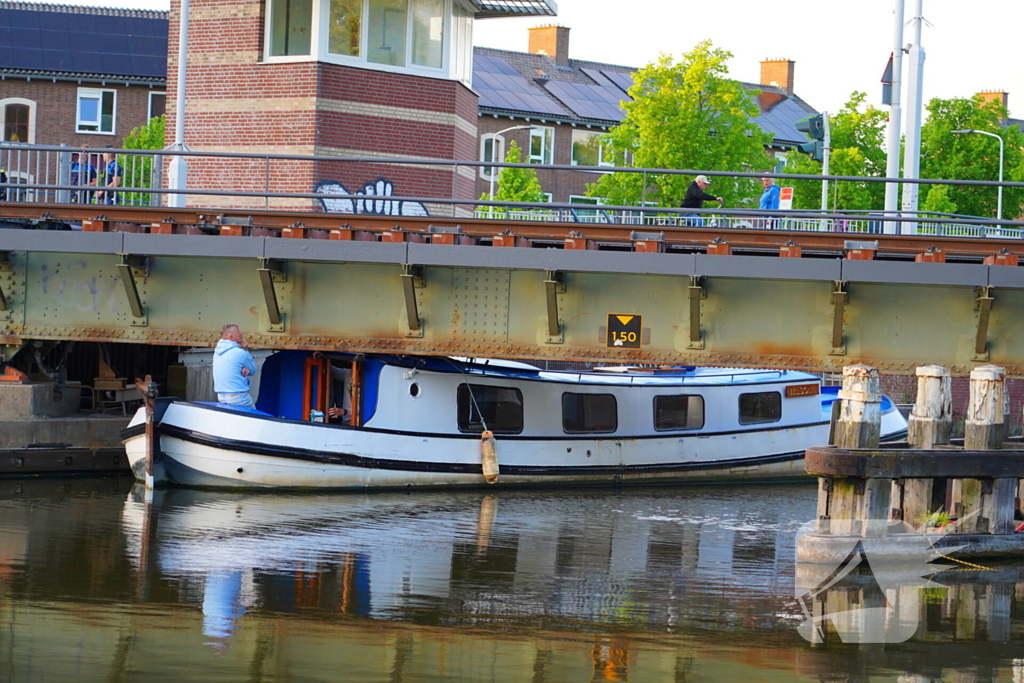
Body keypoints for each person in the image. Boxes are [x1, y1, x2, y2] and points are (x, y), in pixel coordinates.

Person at [213, 324, 257, 408]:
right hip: (238, 396)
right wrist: (245, 349)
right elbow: (252, 370)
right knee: (256, 418)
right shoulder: (240, 352)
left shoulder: (217, 352)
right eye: (238, 332)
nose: (241, 333)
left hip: (221, 396)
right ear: (231, 336)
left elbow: (232, 365)